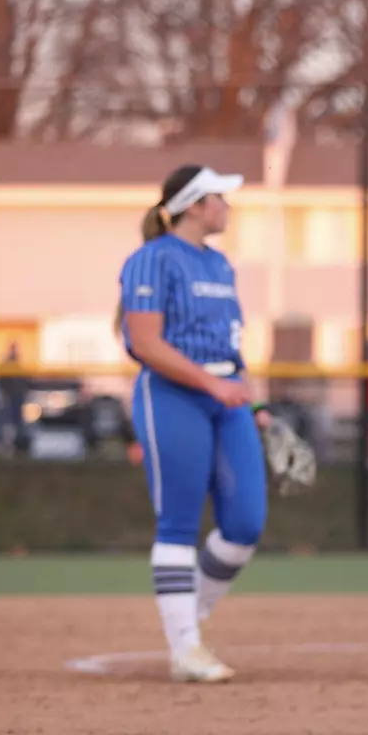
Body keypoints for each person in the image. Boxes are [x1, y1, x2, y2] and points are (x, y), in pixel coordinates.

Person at [117, 164, 267, 684]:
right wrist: (212, 384)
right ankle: (185, 646)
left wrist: (253, 402)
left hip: (226, 398)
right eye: (219, 198)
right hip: (173, 396)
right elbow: (145, 343)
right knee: (179, 523)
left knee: (246, 522)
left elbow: (229, 345)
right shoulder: (151, 260)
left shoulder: (221, 264)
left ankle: (188, 615)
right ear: (194, 205)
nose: (227, 206)